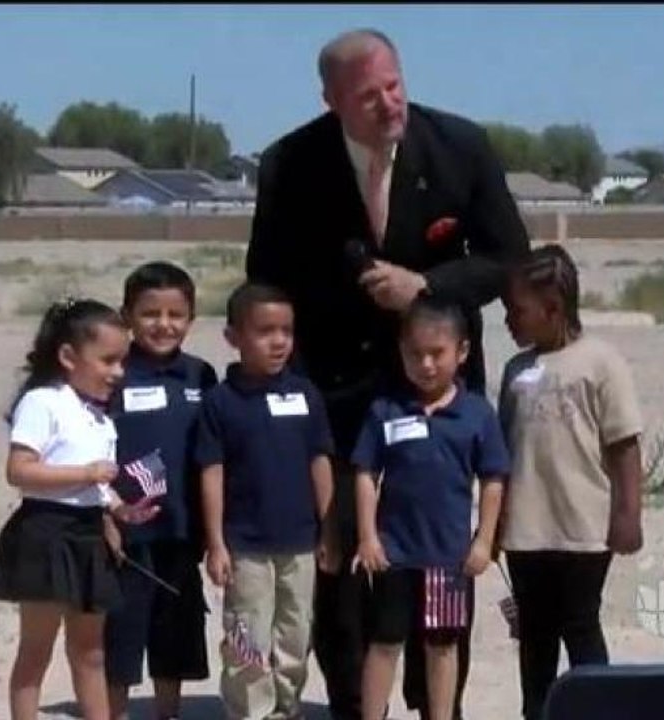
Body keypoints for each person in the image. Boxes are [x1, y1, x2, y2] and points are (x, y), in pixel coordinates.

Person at [245, 27, 531, 720]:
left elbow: (508, 258)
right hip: (336, 397)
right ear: (332, 99)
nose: (388, 103)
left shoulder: (460, 146)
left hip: (438, 395)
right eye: (368, 95)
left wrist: (427, 289)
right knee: (341, 566)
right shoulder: (291, 163)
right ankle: (351, 703)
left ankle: (439, 707)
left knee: (436, 562)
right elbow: (268, 278)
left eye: (395, 86)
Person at [0, 298, 160, 720]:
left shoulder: (100, 417)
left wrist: (120, 510)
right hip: (45, 535)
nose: (118, 372)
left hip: (87, 537)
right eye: (108, 361)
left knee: (90, 651)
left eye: (123, 361)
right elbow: (20, 471)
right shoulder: (43, 403)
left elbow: (98, 489)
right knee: (36, 652)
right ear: (67, 356)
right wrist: (85, 472)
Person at [497, 244, 646, 720]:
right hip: (525, 530)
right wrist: (494, 524)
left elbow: (624, 446)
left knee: (579, 625)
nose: (508, 321)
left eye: (517, 311)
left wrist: (628, 515)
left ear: (553, 309)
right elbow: (502, 454)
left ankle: (597, 710)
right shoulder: (515, 370)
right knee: (534, 635)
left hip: (584, 530)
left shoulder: (601, 363)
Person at [351, 296, 510, 720]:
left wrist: (484, 541)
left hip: (449, 558)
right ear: (401, 353)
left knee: (442, 644)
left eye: (436, 354)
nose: (425, 364)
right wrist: (367, 537)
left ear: (461, 352)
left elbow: (493, 479)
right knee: (384, 642)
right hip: (394, 554)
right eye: (414, 354)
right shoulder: (386, 410)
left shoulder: (477, 414)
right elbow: (365, 473)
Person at [195, 282, 337, 720]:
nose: (278, 341)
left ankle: (285, 706)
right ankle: (250, 711)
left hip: (300, 542)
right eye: (265, 331)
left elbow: (320, 461)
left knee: (294, 635)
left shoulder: (305, 395)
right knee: (247, 637)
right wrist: (216, 542)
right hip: (245, 545)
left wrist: (329, 528)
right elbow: (211, 472)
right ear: (234, 337)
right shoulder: (219, 402)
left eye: (286, 331)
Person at [102, 263, 217, 720]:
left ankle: (166, 712)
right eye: (150, 313)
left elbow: (215, 457)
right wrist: (105, 516)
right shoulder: (111, 374)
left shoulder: (201, 376)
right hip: (126, 533)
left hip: (182, 528)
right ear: (126, 315)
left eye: (176, 314)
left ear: (191, 318)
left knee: (175, 632)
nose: (163, 324)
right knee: (122, 633)